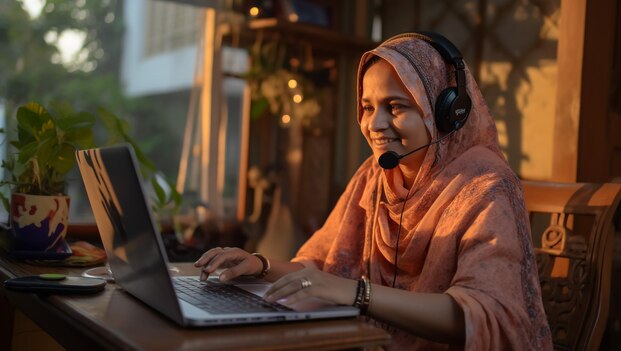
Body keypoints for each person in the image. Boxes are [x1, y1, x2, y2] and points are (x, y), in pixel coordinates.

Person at [194, 32, 552, 350]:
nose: (374, 124)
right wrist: (260, 265)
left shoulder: (486, 186)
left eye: (395, 107)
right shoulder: (376, 176)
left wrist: (357, 294)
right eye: (367, 107)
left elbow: (481, 316)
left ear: (445, 113)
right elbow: (322, 269)